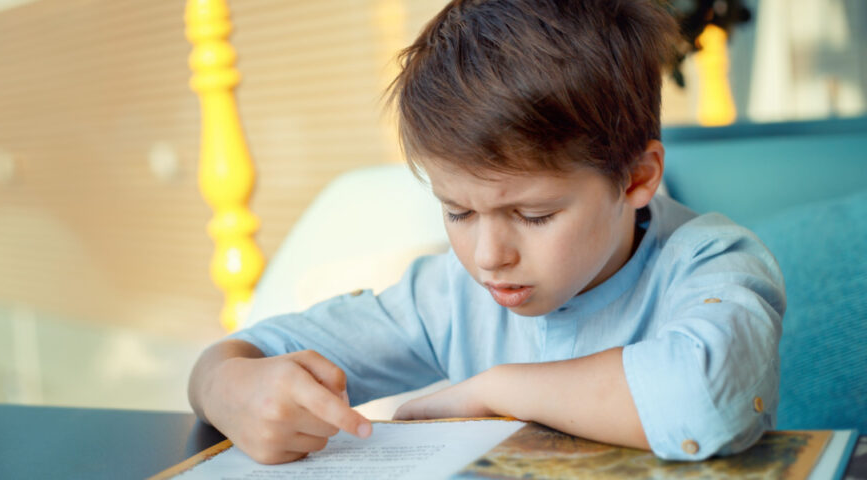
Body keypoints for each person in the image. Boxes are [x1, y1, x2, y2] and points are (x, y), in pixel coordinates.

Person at [188, 0, 784, 465]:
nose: (488, 256)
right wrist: (227, 385)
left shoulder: (713, 262)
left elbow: (707, 397)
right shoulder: (447, 296)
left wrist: (496, 390)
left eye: (534, 216)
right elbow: (247, 353)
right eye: (458, 213)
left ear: (636, 178)